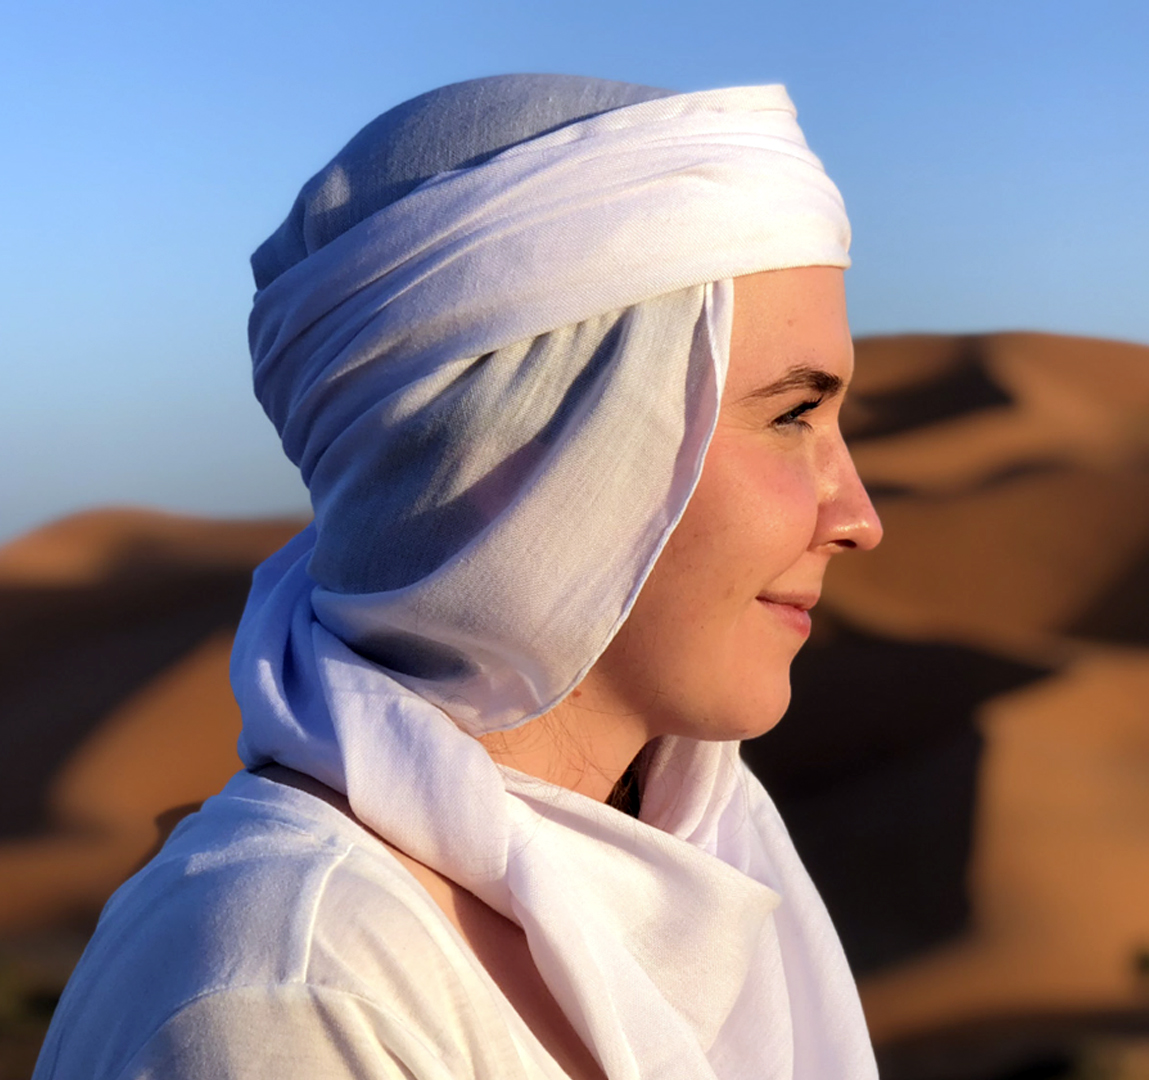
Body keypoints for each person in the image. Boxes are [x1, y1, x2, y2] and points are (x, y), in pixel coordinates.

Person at [34, 75, 884, 1080]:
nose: (858, 518)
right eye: (791, 415)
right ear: (535, 449)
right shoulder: (297, 997)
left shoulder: (706, 868)